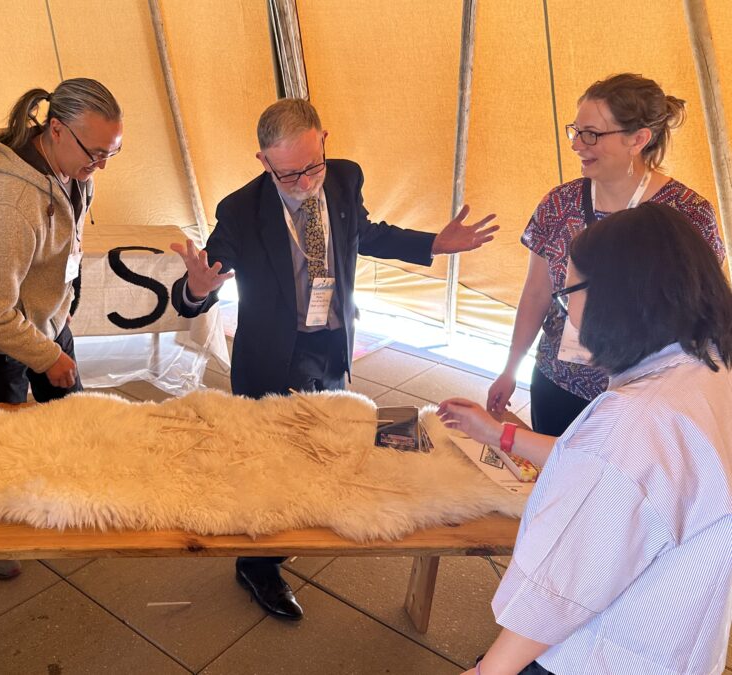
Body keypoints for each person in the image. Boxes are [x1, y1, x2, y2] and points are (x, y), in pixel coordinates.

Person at [170, 97, 498, 620]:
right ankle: (256, 566)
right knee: (270, 462)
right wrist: (196, 288)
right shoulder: (240, 210)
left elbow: (365, 233)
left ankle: (302, 521)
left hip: (332, 341)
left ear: (325, 138)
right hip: (273, 355)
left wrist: (435, 242)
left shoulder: (344, 178)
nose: (305, 184)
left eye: (312, 167)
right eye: (288, 175)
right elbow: (197, 284)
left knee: (324, 441)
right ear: (263, 162)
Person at [438, 202, 732, 675]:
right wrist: (500, 435)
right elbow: (625, 477)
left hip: (599, 653)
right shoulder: (708, 367)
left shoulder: (634, 423)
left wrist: (488, 671)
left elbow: (561, 588)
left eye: (567, 291)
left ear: (614, 297)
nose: (566, 308)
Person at [0, 78, 122, 580]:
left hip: (46, 322)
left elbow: (65, 250)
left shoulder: (74, 170)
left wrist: (58, 322)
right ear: (58, 131)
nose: (102, 164)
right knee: (0, 441)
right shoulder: (9, 206)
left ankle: (66, 492)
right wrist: (46, 355)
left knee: (71, 413)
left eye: (113, 151)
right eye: (97, 152)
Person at [486, 73, 725, 436]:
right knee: (552, 478)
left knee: (617, 490)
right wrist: (510, 368)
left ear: (638, 139)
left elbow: (704, 313)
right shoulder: (559, 203)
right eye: (576, 131)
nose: (577, 145)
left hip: (641, 398)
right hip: (558, 379)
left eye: (592, 134)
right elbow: (536, 293)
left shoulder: (687, 214)